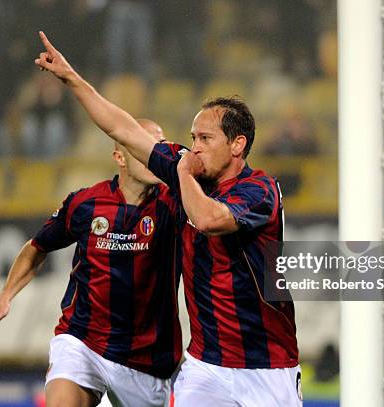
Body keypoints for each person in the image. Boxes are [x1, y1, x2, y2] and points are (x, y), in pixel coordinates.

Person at [35, 31, 301, 406]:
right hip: (205, 365)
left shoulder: (260, 191)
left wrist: (183, 174)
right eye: (193, 137)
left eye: (205, 139)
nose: (194, 147)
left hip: (267, 366)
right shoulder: (185, 168)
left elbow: (208, 219)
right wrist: (71, 78)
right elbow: (123, 129)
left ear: (237, 145)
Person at [0, 119, 182, 407]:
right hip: (83, 341)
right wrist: (5, 295)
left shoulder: (175, 204)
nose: (154, 155)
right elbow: (37, 247)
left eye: (159, 147)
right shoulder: (86, 203)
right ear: (119, 156)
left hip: (147, 358)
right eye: (142, 145)